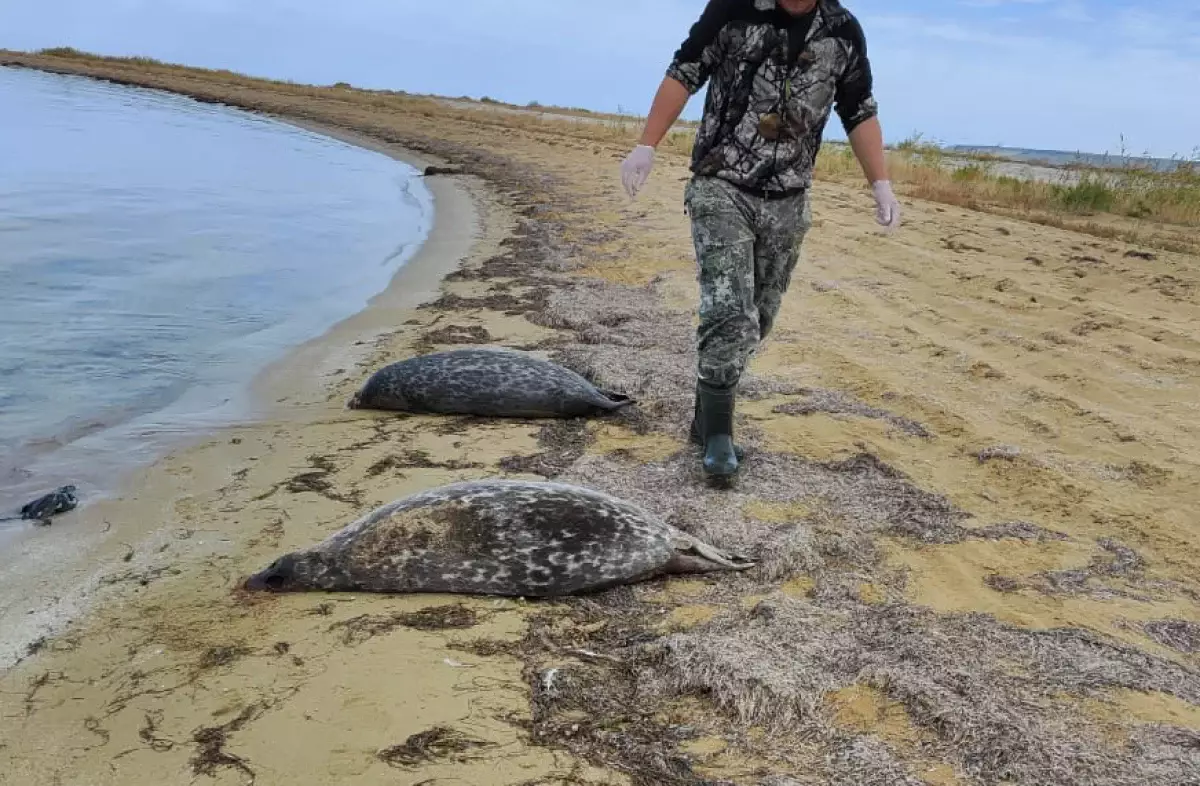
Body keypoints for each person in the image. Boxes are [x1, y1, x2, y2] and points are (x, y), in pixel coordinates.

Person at [620, 0, 900, 480]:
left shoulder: (843, 30)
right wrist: (647, 145)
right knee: (728, 311)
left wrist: (880, 182)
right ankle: (719, 441)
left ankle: (705, 414)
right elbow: (684, 71)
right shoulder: (733, 9)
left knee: (758, 318)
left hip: (790, 198)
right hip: (721, 184)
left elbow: (859, 108)